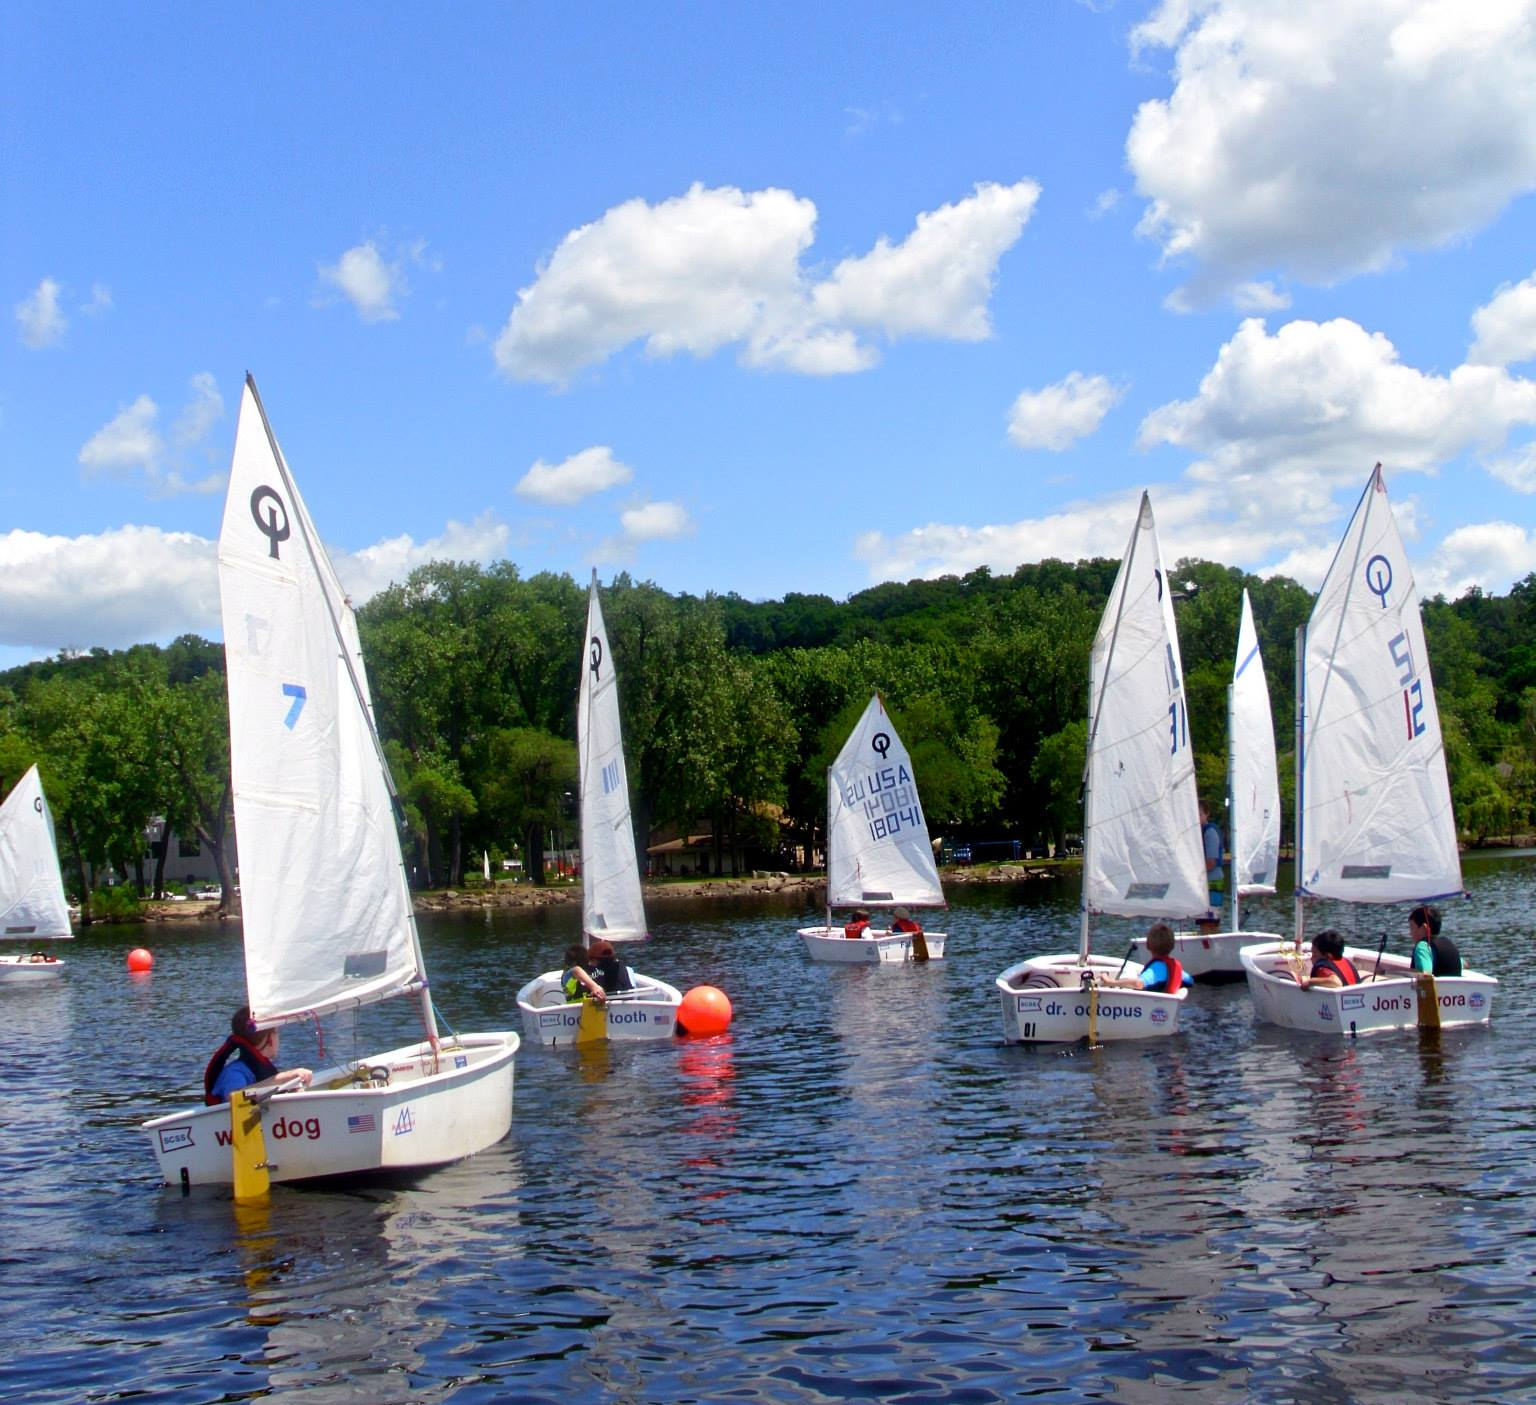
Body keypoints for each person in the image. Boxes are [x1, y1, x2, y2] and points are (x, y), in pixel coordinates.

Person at [203, 1005, 313, 1105]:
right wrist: (287, 1077)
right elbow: (234, 1097)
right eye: (276, 1033)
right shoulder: (234, 1072)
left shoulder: (259, 1067)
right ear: (269, 1039)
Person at [1100, 923, 1192, 992]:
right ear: (1172, 946)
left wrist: (1110, 982)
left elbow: (1138, 984)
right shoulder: (1176, 967)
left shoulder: (1155, 969)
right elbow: (1190, 981)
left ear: (1148, 945)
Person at [1408, 904, 1461, 977]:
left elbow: (1425, 974)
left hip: (1439, 988)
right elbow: (1463, 963)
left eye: (1412, 927)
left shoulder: (1423, 947)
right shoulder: (1448, 943)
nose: (1410, 933)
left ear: (1424, 928)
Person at [1199, 801, 1225, 916]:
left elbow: (1211, 863)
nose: (1197, 818)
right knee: (1203, 919)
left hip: (1213, 881)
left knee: (1209, 921)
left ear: (1206, 814)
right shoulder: (1199, 833)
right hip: (1204, 881)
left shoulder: (1210, 832)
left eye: (1200, 815)